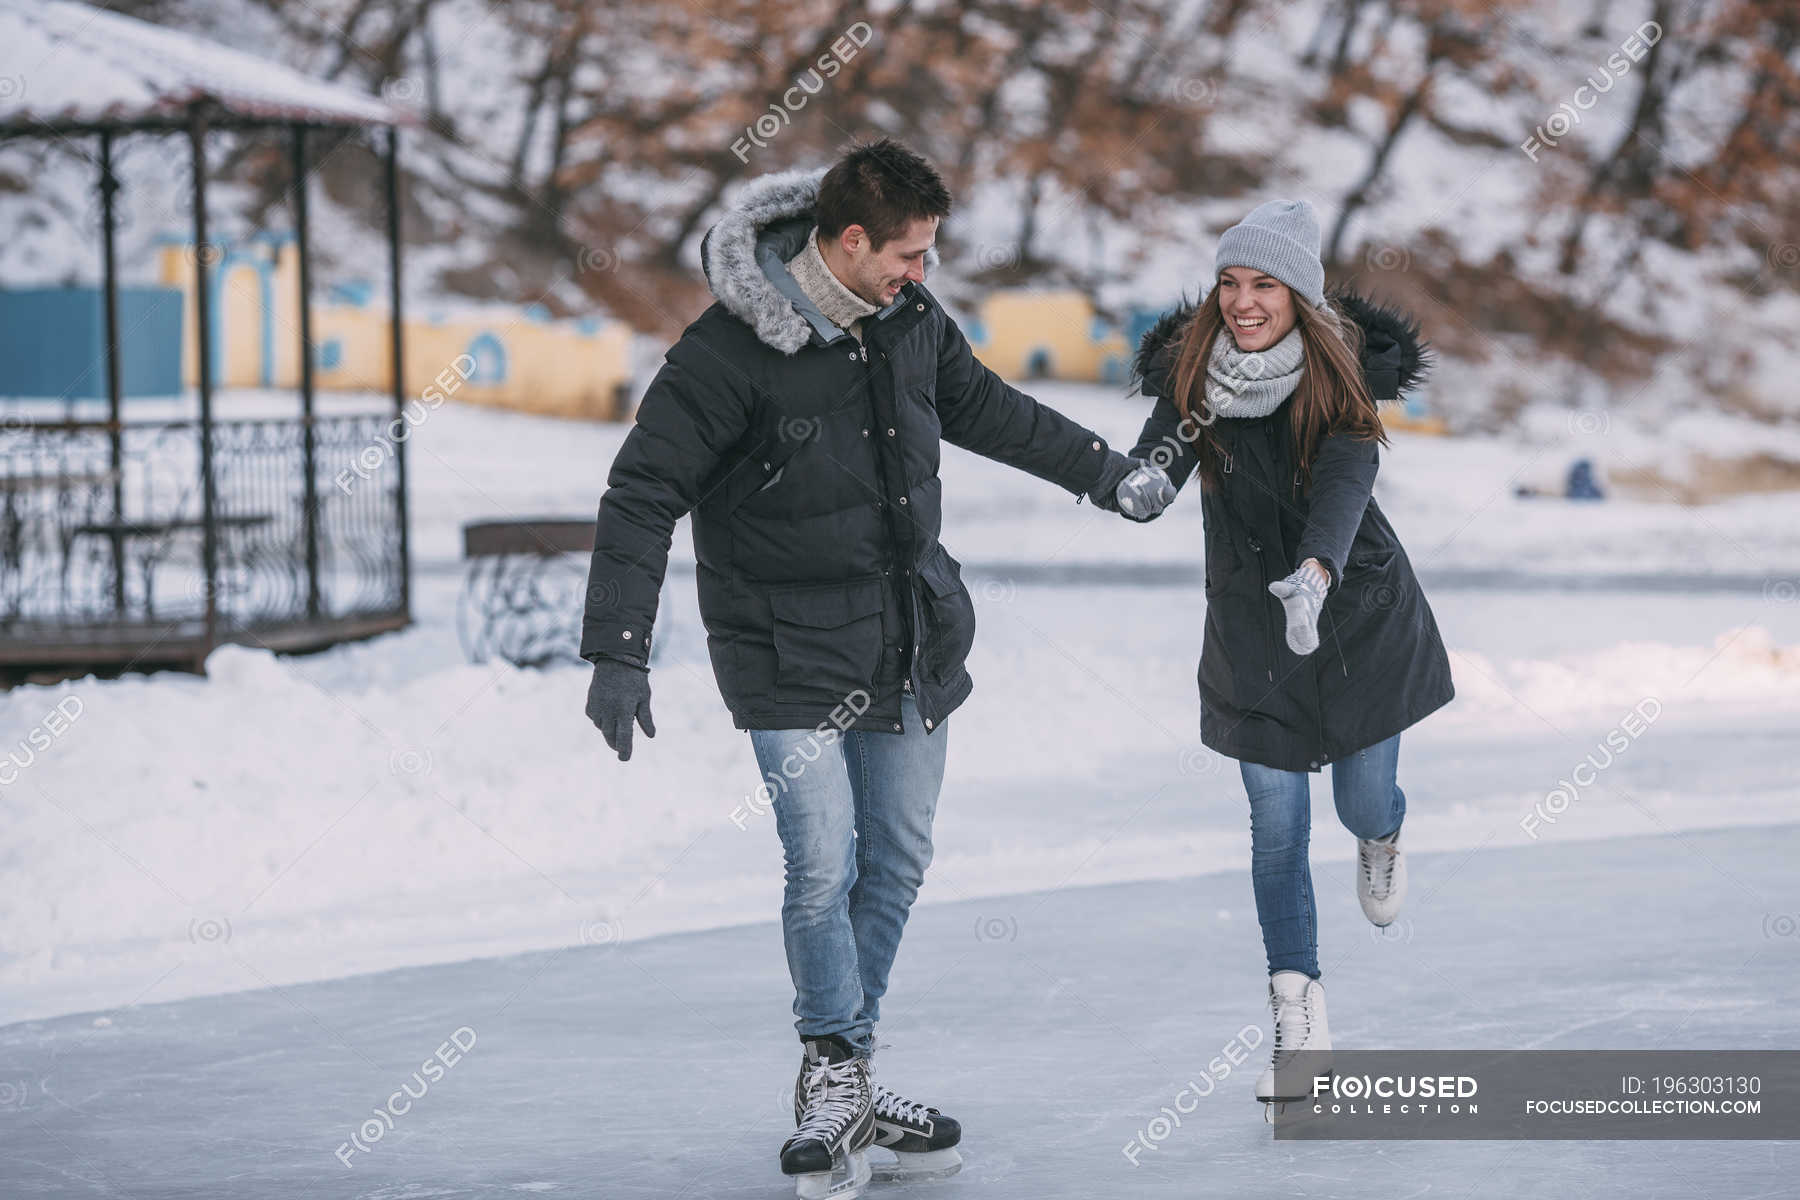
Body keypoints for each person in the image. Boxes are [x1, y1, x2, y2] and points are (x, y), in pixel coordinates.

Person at [579, 138, 1171, 1196]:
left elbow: (992, 410)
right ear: (850, 242)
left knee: (894, 860)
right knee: (821, 869)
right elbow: (640, 495)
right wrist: (618, 649)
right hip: (781, 649)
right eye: (910, 254)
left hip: (908, 637)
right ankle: (835, 1068)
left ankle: (846, 1069)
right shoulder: (727, 353)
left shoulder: (906, 325)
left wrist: (1107, 476)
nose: (923, 273)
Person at [1118, 199, 1455, 1108]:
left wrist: (1315, 571)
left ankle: (1385, 832)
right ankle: (1297, 1016)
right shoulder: (1197, 370)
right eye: (1229, 282)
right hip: (1251, 632)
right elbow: (1163, 451)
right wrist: (1143, 481)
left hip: (1352, 619)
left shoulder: (1339, 378)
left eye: (1263, 283)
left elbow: (1347, 484)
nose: (1241, 301)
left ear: (1298, 293)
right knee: (1277, 827)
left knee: (1358, 800)